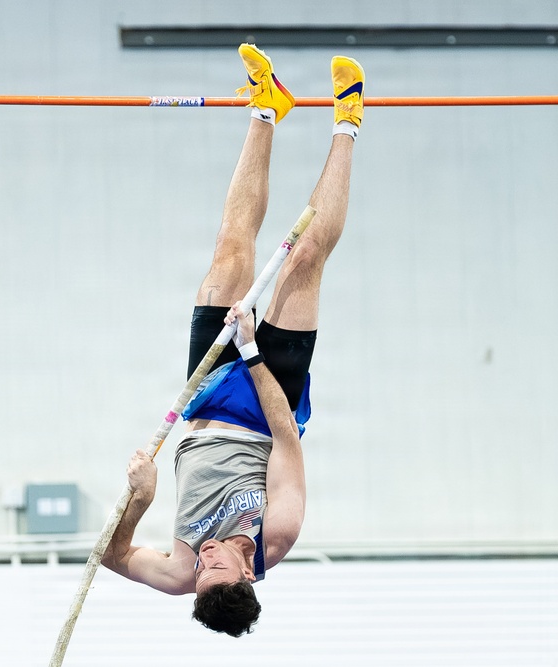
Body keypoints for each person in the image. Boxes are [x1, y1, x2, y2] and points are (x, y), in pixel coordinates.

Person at [100, 44, 365, 637]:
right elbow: (287, 441)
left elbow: (111, 557)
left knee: (228, 251)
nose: (204, 561)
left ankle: (265, 109)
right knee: (306, 261)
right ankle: (348, 121)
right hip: (267, 410)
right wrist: (250, 350)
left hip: (205, 401)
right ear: (247, 575)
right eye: (215, 568)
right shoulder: (278, 533)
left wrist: (140, 501)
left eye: (199, 573)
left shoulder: (181, 572)